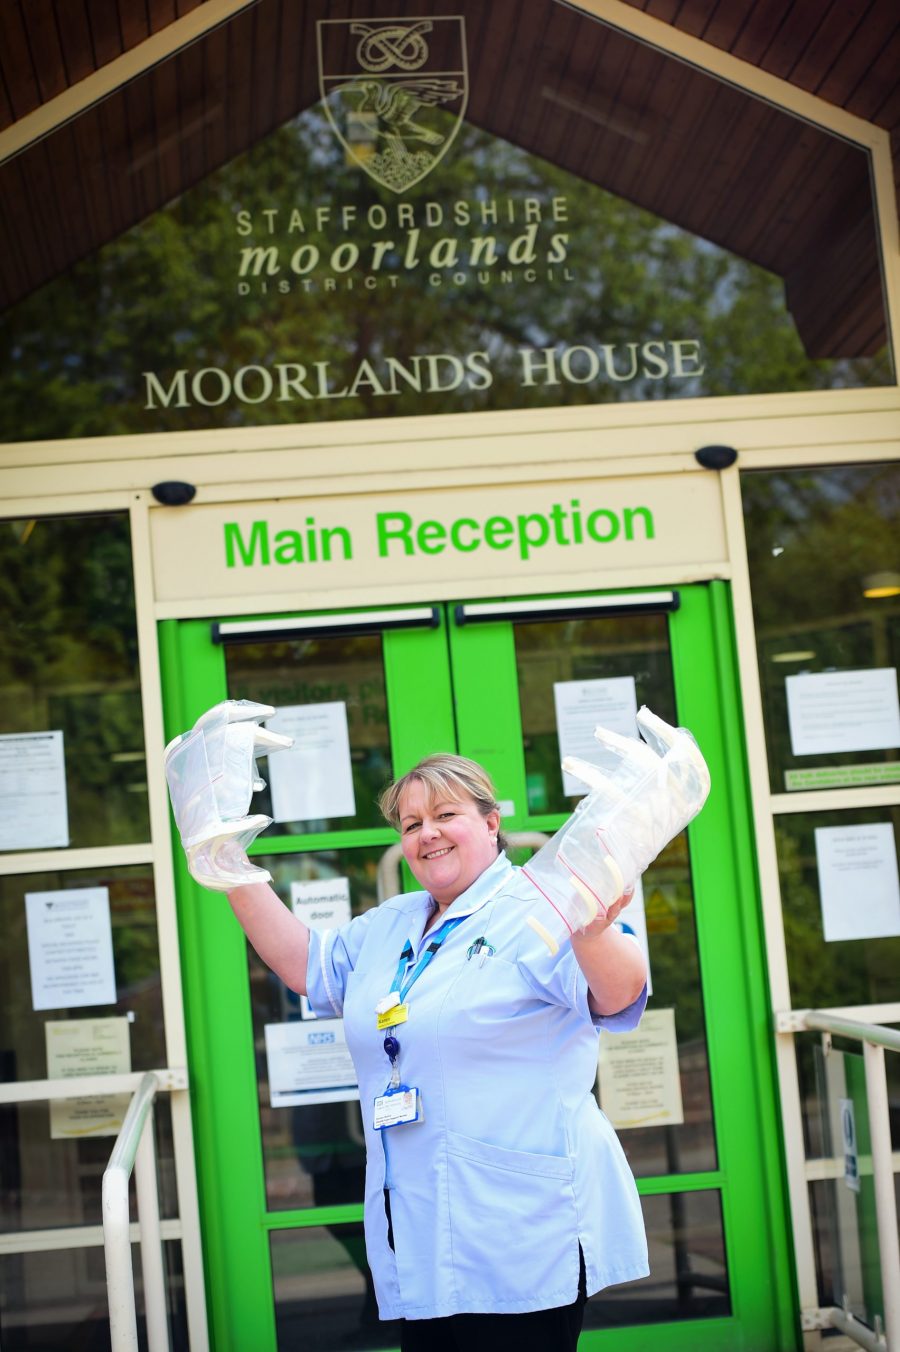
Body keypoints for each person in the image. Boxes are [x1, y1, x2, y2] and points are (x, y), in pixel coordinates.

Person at [217, 750, 649, 1351]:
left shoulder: (542, 905)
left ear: (492, 821)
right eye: (411, 824)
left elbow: (619, 991)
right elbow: (307, 966)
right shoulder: (392, 923)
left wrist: (593, 932)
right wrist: (230, 865)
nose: (428, 834)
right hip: (417, 1225)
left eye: (446, 814)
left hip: (521, 1227)